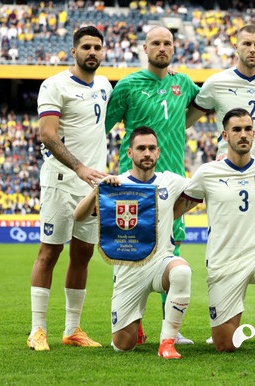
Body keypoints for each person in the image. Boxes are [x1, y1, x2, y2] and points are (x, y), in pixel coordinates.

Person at [186, 24, 255, 337]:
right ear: (236, 47)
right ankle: (224, 314)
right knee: (225, 244)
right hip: (228, 180)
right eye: (247, 44)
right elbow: (184, 121)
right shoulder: (217, 82)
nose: (252, 49)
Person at [174, 108, 255, 358]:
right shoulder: (207, 173)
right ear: (225, 135)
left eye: (247, 129)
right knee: (225, 345)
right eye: (236, 129)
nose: (243, 134)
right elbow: (178, 209)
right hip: (223, 264)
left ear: (254, 134)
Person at [105, 25, 200, 345]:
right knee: (128, 248)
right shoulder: (128, 85)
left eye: (168, 43)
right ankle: (133, 320)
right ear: (144, 48)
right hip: (134, 185)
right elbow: (102, 127)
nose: (162, 48)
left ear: (174, 49)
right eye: (156, 43)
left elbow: (202, 109)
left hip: (173, 181)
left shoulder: (183, 84)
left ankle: (168, 327)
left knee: (172, 245)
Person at [73, 126, 193, 359]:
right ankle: (133, 323)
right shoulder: (116, 184)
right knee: (122, 345)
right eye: (141, 148)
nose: (146, 153)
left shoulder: (171, 181)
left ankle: (167, 341)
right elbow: (78, 216)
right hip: (128, 269)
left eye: (151, 148)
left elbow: (201, 189)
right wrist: (99, 190)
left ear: (158, 152)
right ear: (129, 153)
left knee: (182, 272)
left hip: (161, 262)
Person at [28, 26, 111, 351]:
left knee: (83, 254)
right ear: (73, 51)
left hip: (92, 187)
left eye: (98, 47)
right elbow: (47, 135)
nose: (93, 52)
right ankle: (37, 330)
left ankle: (72, 329)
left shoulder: (104, 85)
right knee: (50, 251)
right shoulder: (55, 85)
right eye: (87, 47)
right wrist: (78, 167)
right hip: (61, 182)